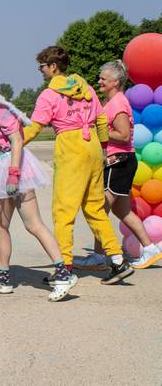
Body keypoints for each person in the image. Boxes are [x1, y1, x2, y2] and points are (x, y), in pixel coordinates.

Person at [0, 66, 75, 302]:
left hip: (15, 167)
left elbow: (17, 141)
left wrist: (14, 174)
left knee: (33, 224)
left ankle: (64, 274)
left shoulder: (2, 110)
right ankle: (3, 279)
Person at [22, 46, 133, 284]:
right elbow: (102, 119)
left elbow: (35, 126)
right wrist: (102, 149)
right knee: (95, 208)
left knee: (64, 211)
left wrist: (14, 142)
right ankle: (117, 260)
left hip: (71, 149)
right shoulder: (87, 88)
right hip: (93, 147)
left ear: (53, 67)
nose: (40, 71)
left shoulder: (49, 95)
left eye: (42, 66)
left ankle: (65, 267)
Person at [73, 61, 162, 270]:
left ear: (116, 82)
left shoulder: (118, 103)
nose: (99, 81)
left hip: (118, 162)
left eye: (103, 78)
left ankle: (98, 256)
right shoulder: (110, 101)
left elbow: (123, 135)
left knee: (98, 210)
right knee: (123, 212)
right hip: (119, 162)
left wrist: (94, 131)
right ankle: (149, 249)